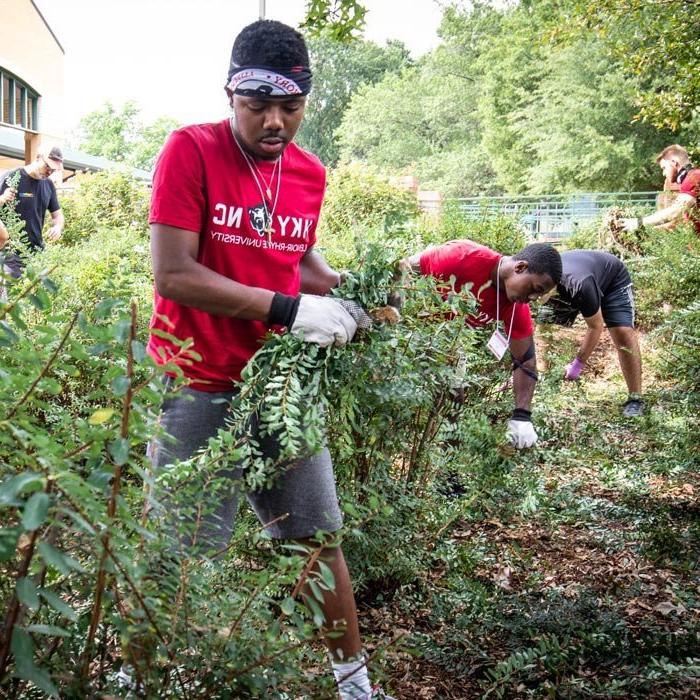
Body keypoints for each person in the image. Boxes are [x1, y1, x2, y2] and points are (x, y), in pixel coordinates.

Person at [146, 20, 391, 700]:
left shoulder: (310, 172)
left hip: (279, 385)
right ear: (231, 93)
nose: (275, 121)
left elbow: (297, 257)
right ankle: (149, 674)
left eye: (291, 106)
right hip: (194, 381)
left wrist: (353, 293)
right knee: (181, 550)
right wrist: (288, 311)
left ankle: (355, 687)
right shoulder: (190, 151)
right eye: (258, 105)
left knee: (317, 537)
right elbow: (173, 274)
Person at [403, 239, 562, 449]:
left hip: (448, 340)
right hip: (407, 328)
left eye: (538, 295)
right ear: (520, 267)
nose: (532, 298)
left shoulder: (516, 306)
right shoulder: (462, 257)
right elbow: (402, 269)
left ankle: (447, 467)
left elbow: (525, 361)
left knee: (453, 401)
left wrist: (522, 416)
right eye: (535, 288)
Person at [538, 249, 643, 417]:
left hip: (612, 282)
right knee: (545, 326)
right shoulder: (540, 277)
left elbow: (596, 326)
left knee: (623, 333)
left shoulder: (580, 284)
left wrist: (577, 365)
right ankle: (545, 381)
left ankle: (635, 398)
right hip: (563, 282)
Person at [0, 146, 64, 277]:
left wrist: (57, 228)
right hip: (11, 255)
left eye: (53, 169)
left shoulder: (49, 185)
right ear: (38, 158)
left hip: (37, 254)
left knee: (37, 296)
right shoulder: (12, 177)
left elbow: (58, 216)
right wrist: (2, 199)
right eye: (47, 166)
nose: (49, 171)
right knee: (13, 296)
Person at [621, 145, 699, 235]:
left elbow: (676, 211)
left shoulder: (693, 177)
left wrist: (639, 222)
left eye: (664, 168)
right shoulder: (689, 180)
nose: (663, 173)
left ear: (674, 162)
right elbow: (679, 222)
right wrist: (650, 232)